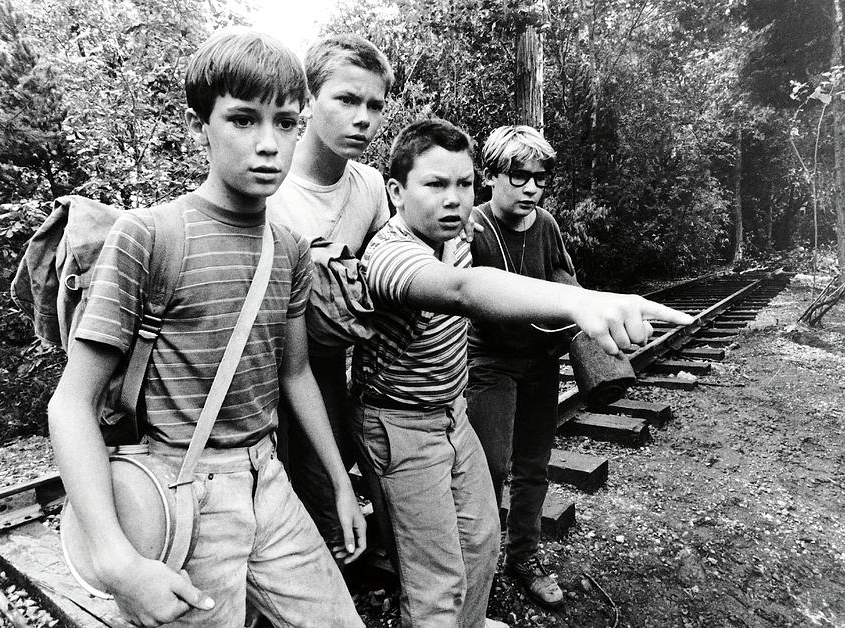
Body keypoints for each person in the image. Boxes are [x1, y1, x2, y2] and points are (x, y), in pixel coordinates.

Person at [47, 29, 366, 628]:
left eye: (287, 122)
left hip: (269, 480)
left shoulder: (290, 249)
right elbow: (70, 405)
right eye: (243, 120)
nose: (269, 144)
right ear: (203, 127)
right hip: (180, 489)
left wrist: (338, 482)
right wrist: (118, 563)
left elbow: (296, 373)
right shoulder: (150, 236)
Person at [350, 118, 693, 627]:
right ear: (397, 192)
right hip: (403, 422)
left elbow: (542, 266)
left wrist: (576, 301)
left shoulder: (459, 234)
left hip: (451, 412)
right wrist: (582, 302)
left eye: (461, 184)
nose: (453, 198)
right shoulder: (391, 255)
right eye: (436, 184)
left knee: (483, 541)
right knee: (436, 579)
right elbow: (465, 290)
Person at [266, 34, 394, 559]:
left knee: (331, 477)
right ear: (309, 101)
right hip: (263, 369)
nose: (362, 118)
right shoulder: (271, 185)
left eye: (374, 105)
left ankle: (336, 569)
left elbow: (390, 272)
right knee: (280, 496)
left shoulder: (370, 186)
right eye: (346, 99)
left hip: (329, 364)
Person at [466, 125, 578, 609]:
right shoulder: (472, 225)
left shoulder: (547, 225)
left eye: (540, 177)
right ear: (492, 176)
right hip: (490, 361)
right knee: (489, 467)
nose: (531, 187)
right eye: (519, 175)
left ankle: (523, 557)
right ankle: (478, 568)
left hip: (541, 361)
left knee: (533, 466)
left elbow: (566, 280)